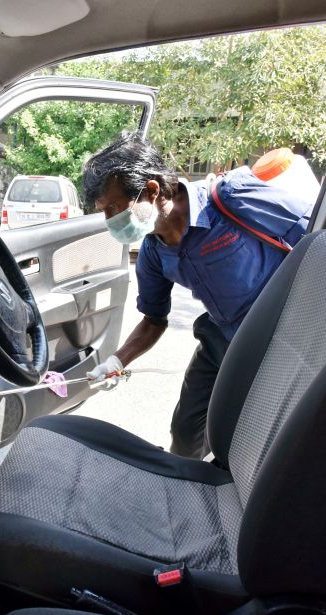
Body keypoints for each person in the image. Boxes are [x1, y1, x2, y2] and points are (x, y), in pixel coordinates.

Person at [83, 133, 313, 460]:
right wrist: (117, 361)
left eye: (114, 209)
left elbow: (317, 235)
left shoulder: (231, 200)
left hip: (280, 337)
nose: (110, 222)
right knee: (186, 433)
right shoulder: (153, 253)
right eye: (104, 212)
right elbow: (153, 320)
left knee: (250, 440)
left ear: (151, 190)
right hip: (220, 337)